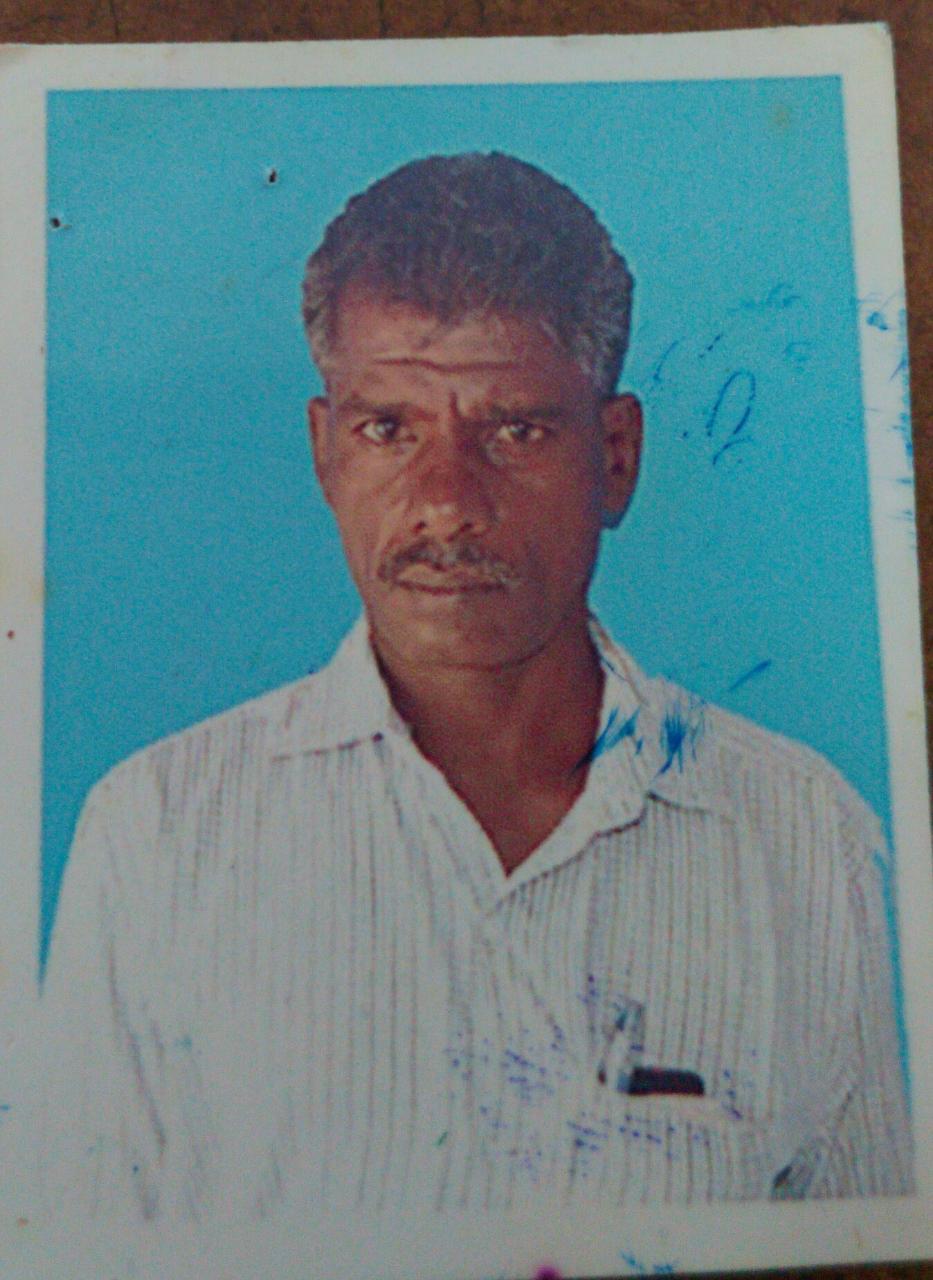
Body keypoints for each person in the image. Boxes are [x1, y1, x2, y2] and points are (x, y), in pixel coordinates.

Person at [30, 152, 912, 1218]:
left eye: (516, 429)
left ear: (616, 455)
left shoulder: (805, 836)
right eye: (388, 429)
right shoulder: (158, 833)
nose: (446, 502)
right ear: (324, 452)